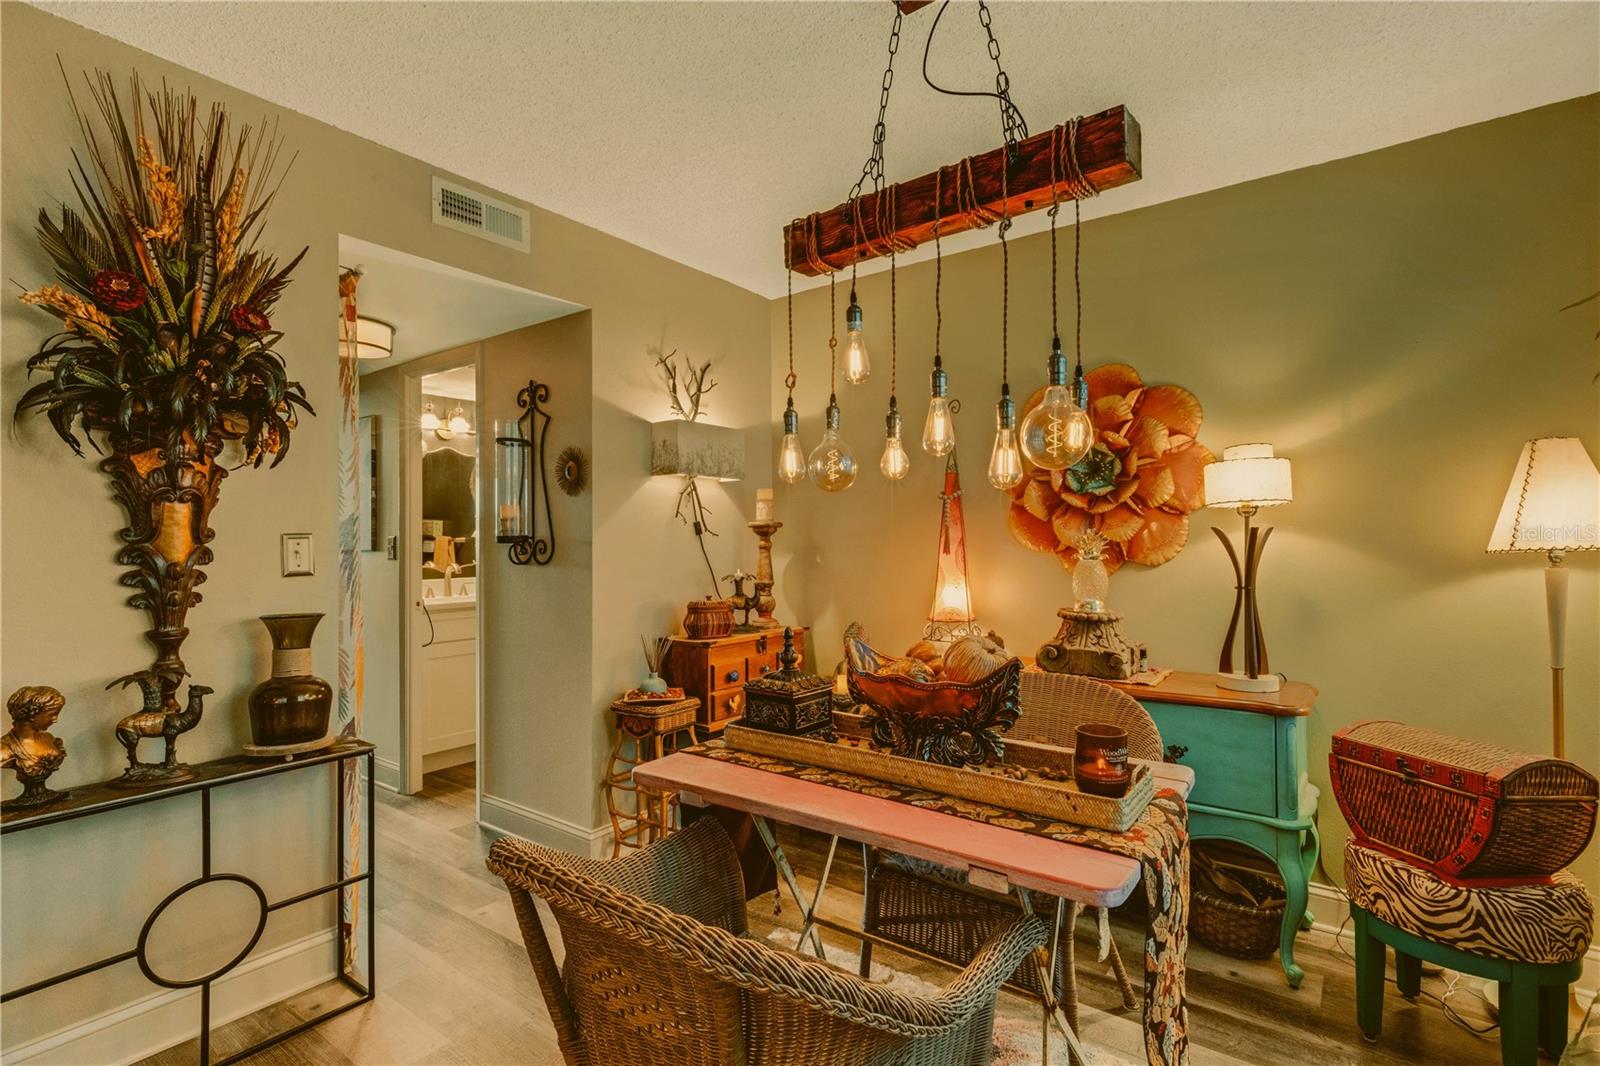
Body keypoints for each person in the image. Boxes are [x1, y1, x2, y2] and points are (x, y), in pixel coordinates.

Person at [2, 685, 67, 808]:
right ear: (33, 715)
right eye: (52, 714)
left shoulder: (50, 739)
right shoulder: (4, 749)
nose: (55, 720)